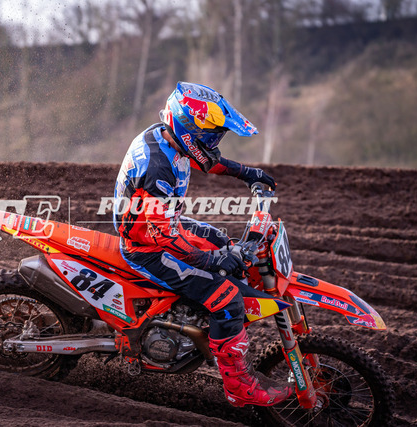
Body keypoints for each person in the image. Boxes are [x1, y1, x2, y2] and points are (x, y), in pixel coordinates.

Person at [113, 81, 293, 407]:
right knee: (226, 298)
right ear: (187, 127)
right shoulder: (158, 168)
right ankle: (238, 386)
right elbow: (164, 236)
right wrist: (211, 261)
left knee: (225, 244)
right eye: (210, 136)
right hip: (147, 247)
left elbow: (205, 161)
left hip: (160, 225)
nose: (213, 144)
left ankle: (199, 320)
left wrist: (246, 173)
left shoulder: (166, 137)